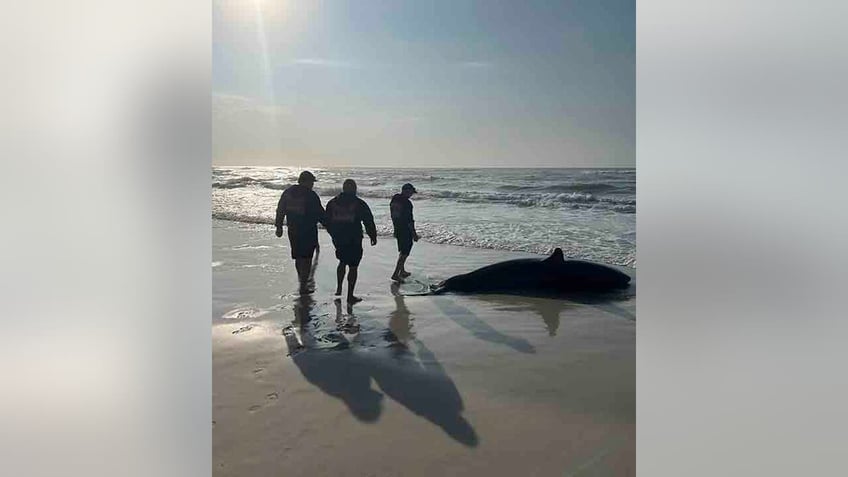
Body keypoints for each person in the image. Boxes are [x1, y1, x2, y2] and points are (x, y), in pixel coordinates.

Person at [324, 179, 377, 303]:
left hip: (338, 239)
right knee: (353, 267)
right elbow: (368, 220)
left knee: (342, 261)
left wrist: (332, 234)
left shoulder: (332, 203)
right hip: (354, 239)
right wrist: (372, 235)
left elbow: (326, 221)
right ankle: (350, 296)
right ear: (354, 189)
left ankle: (339, 288)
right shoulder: (359, 203)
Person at [275, 171, 325, 294]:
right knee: (307, 258)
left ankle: (301, 281)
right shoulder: (310, 195)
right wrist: (331, 226)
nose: (312, 184)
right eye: (311, 182)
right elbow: (320, 213)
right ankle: (303, 284)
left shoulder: (288, 193)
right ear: (306, 181)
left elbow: (280, 209)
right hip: (308, 231)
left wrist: (279, 226)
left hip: (293, 230)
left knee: (298, 257)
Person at [390, 183, 419, 281]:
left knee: (402, 250)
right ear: (406, 190)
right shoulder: (407, 203)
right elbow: (409, 220)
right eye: (411, 192)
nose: (411, 194)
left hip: (397, 227)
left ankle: (402, 271)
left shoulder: (395, 199)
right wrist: (414, 234)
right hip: (405, 229)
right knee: (404, 253)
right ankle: (395, 274)